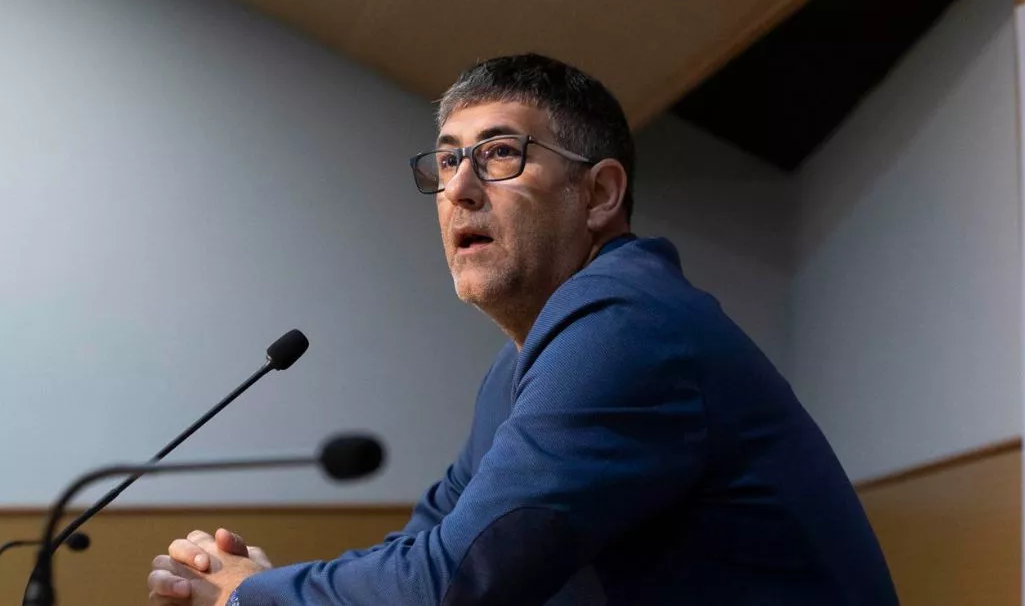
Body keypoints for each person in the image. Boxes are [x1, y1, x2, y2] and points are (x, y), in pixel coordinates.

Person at [147, 53, 898, 605]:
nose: (459, 189)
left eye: (499, 154)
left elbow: (458, 582)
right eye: (447, 161)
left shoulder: (625, 326)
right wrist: (267, 585)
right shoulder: (518, 368)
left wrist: (253, 596)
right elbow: (428, 546)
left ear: (599, 194)